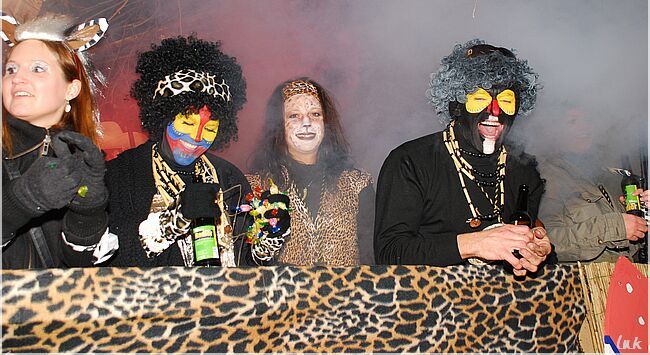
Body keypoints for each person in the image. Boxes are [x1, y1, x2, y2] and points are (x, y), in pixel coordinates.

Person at [105, 35, 287, 267]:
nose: (197, 136)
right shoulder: (122, 174)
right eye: (187, 123)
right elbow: (107, 256)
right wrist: (174, 220)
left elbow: (247, 268)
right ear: (163, 116)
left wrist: (267, 239)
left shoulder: (230, 179)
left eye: (209, 128)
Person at [375, 40, 552, 277]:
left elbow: (527, 255)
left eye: (506, 101)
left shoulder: (524, 169)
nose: (494, 112)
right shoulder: (410, 162)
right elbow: (389, 252)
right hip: (431, 297)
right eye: (480, 99)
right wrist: (474, 244)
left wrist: (538, 251)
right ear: (456, 105)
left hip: (503, 298)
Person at [2, 13, 117, 268]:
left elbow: (78, 267)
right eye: (11, 69)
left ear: (71, 89)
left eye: (37, 68)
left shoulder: (84, 160)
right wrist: (20, 200)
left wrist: (88, 213)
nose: (17, 78)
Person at [247, 78, 374, 265]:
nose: (306, 122)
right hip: (283, 285)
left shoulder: (357, 184)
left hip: (348, 285)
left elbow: (371, 259)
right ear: (278, 126)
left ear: (326, 122)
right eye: (294, 115)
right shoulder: (255, 187)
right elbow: (246, 264)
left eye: (315, 114)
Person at [537, 106, 648, 262]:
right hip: (581, 276)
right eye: (572, 122)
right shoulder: (546, 176)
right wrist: (613, 227)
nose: (584, 127)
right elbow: (548, 242)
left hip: (625, 274)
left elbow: (635, 246)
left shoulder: (609, 177)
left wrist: (643, 214)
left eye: (588, 120)